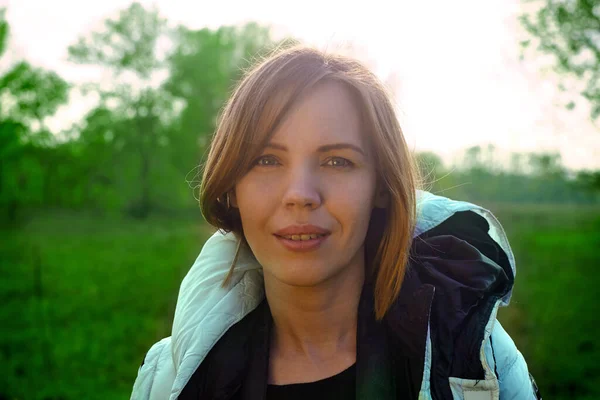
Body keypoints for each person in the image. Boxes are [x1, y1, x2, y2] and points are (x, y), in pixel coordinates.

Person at [131, 46, 541, 399]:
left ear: (381, 185)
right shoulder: (165, 379)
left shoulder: (478, 363)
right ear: (232, 187)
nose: (300, 194)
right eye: (266, 160)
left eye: (336, 161)